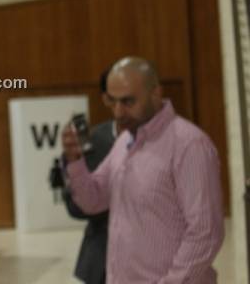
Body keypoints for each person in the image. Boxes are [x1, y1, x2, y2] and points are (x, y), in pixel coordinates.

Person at [62, 56, 224, 283]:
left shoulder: (190, 145)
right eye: (112, 101)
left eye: (128, 101)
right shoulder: (124, 141)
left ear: (155, 93)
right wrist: (75, 161)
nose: (118, 112)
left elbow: (205, 233)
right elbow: (94, 199)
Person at [62, 69, 121, 284]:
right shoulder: (89, 144)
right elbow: (74, 207)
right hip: (100, 259)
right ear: (106, 98)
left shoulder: (171, 141)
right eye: (118, 98)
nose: (124, 106)